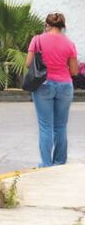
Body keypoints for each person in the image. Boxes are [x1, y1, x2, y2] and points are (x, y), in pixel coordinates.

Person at [26, 12, 78, 168]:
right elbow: (74, 71)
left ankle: (46, 164)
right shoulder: (69, 43)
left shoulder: (37, 40)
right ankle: (59, 162)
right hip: (64, 86)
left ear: (47, 25)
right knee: (60, 126)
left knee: (45, 126)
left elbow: (28, 64)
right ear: (63, 27)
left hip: (43, 85)